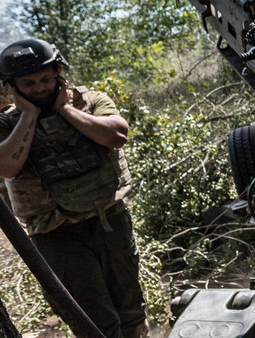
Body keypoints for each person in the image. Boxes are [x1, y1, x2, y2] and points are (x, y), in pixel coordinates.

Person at [0, 39, 149, 338]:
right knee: (95, 323)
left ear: (59, 73)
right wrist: (28, 115)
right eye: (28, 84)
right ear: (12, 87)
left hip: (109, 222)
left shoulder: (91, 101)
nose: (40, 88)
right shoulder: (6, 123)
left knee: (131, 312)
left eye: (45, 79)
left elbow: (117, 135)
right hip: (55, 235)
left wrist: (66, 110)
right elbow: (6, 167)